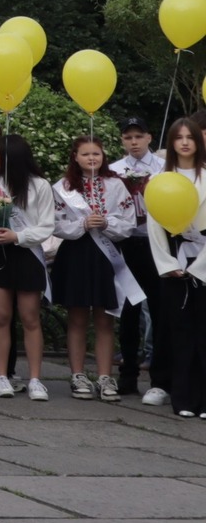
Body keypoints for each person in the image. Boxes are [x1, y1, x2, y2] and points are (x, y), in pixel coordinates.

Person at [52, 135, 142, 402]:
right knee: (77, 317)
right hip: (77, 254)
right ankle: (78, 375)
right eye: (85, 154)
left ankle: (104, 376)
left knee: (105, 318)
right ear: (75, 157)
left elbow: (128, 221)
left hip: (107, 256)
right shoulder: (63, 187)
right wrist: (81, 224)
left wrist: (106, 223)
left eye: (96, 154)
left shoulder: (116, 185)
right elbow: (55, 223)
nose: (92, 158)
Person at [0, 132, 55, 400]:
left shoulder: (40, 186)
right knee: (0, 316)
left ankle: (35, 379)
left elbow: (46, 226)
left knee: (30, 317)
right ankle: (1, 377)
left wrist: (18, 236)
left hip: (27, 254)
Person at [148, 117, 206, 416]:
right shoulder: (159, 179)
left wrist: (200, 267)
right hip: (175, 263)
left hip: (203, 262)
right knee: (180, 333)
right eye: (178, 137)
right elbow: (154, 226)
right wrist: (167, 264)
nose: (184, 142)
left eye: (190, 137)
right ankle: (183, 399)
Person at [110, 115, 165, 401]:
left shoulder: (163, 168)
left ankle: (161, 376)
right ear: (122, 140)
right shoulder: (114, 170)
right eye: (128, 137)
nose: (134, 142)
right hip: (127, 243)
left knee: (159, 310)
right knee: (129, 310)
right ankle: (128, 373)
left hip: (156, 244)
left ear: (149, 138)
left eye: (138, 136)